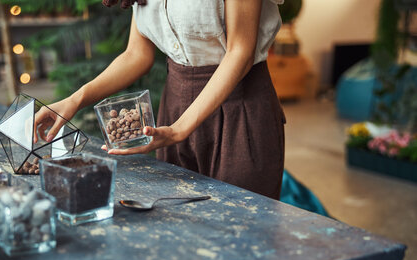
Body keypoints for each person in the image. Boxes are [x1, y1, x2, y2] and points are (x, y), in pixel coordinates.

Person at [34, 0, 286, 200]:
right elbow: (136, 54)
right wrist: (76, 99)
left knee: (241, 232)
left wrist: (180, 129)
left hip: (241, 111)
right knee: (180, 225)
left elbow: (240, 52)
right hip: (175, 107)